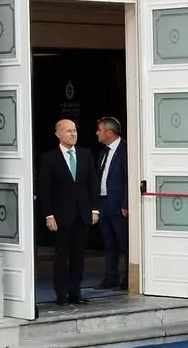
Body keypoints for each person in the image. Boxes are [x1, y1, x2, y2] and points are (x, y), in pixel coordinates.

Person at [38, 119, 100, 306]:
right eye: (68, 131)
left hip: (82, 215)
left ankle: (75, 293)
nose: (73, 134)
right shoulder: (50, 158)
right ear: (58, 134)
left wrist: (94, 209)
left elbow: (92, 184)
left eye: (74, 130)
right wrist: (49, 215)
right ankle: (61, 295)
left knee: (78, 256)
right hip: (60, 216)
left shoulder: (85, 154)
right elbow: (44, 189)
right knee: (61, 256)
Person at [94, 117, 129, 291]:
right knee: (109, 242)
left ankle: (128, 278)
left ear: (109, 132)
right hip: (103, 202)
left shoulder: (126, 150)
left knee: (124, 243)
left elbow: (129, 178)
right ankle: (110, 278)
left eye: (99, 130)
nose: (97, 133)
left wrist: (126, 203)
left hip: (118, 205)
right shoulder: (102, 153)